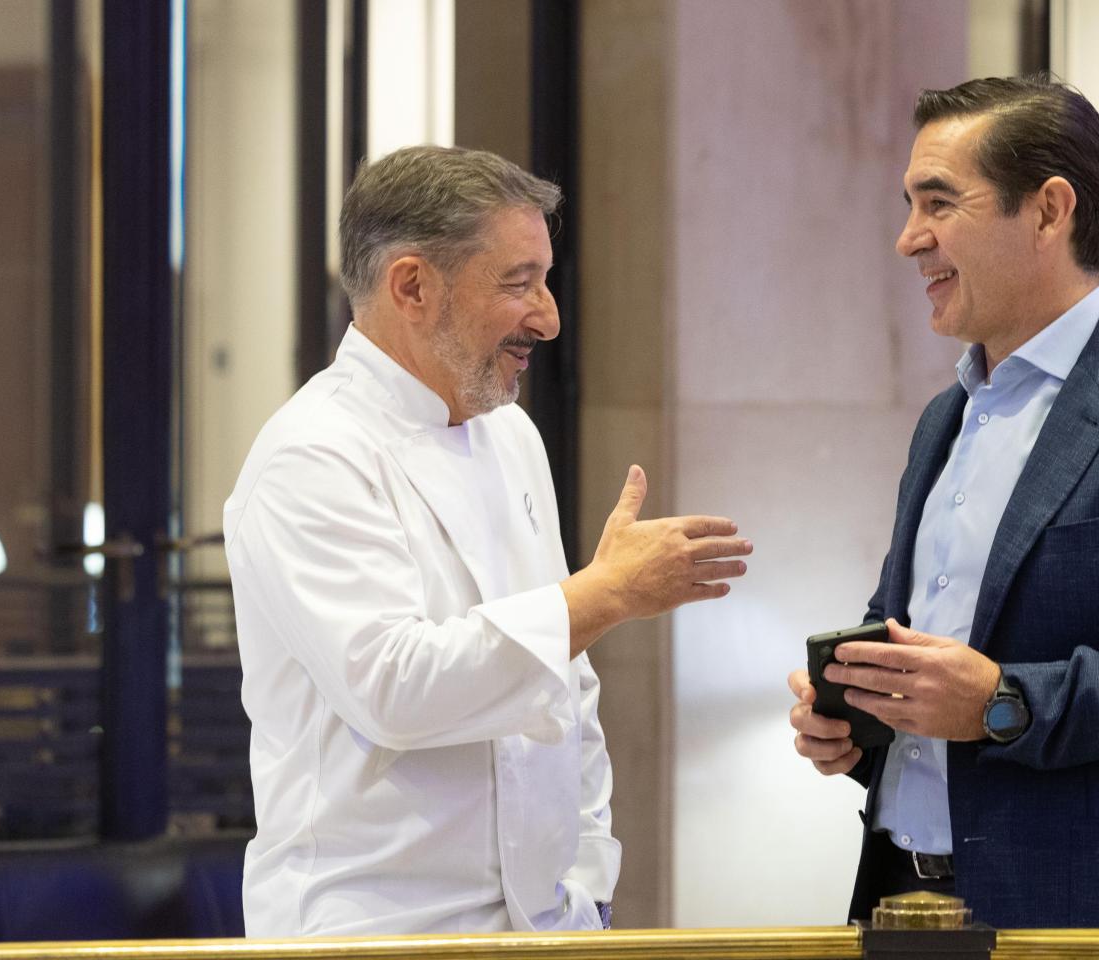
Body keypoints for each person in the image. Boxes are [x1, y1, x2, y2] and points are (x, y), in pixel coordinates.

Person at [786, 76, 1099, 929]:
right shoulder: (946, 417)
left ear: (1049, 211)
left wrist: (1004, 704)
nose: (909, 238)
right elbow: (911, 630)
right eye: (910, 205)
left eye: (938, 203)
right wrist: (855, 712)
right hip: (905, 901)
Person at [226, 145, 752, 936]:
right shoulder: (311, 454)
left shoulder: (510, 434)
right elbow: (393, 689)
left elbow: (568, 685)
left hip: (546, 927)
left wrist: (591, 877)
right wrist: (605, 593)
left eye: (545, 279)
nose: (548, 316)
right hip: (373, 932)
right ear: (412, 285)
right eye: (518, 282)